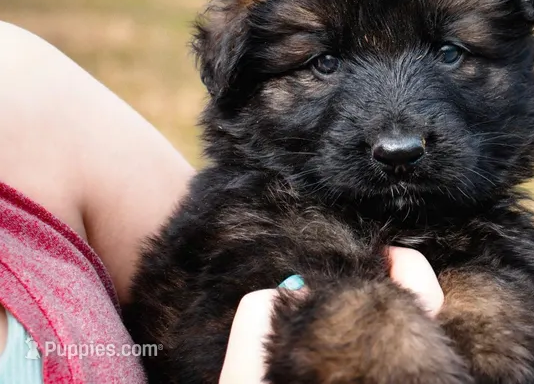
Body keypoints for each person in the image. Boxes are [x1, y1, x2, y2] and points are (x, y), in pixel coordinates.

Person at [0, 21, 443, 383]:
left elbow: (179, 276)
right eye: (324, 63)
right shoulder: (257, 221)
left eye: (448, 54)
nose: (397, 134)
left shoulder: (24, 83)